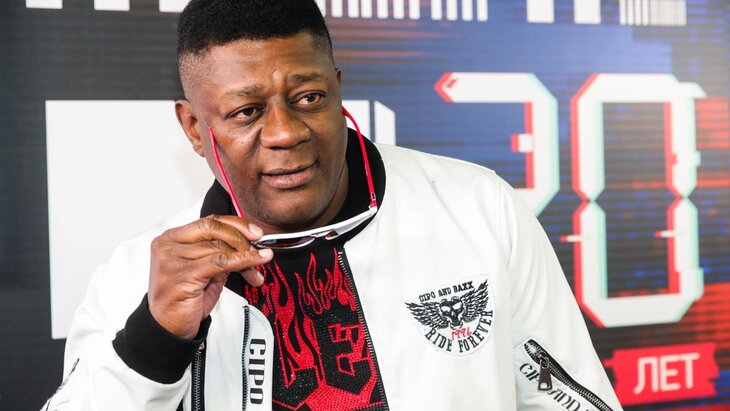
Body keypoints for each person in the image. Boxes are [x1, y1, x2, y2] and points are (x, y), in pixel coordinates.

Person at [43, 0, 623, 410]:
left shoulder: (476, 208)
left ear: (338, 88)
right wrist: (155, 337)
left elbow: (570, 398)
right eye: (246, 112)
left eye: (308, 98)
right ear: (195, 128)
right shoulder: (140, 275)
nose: (285, 132)